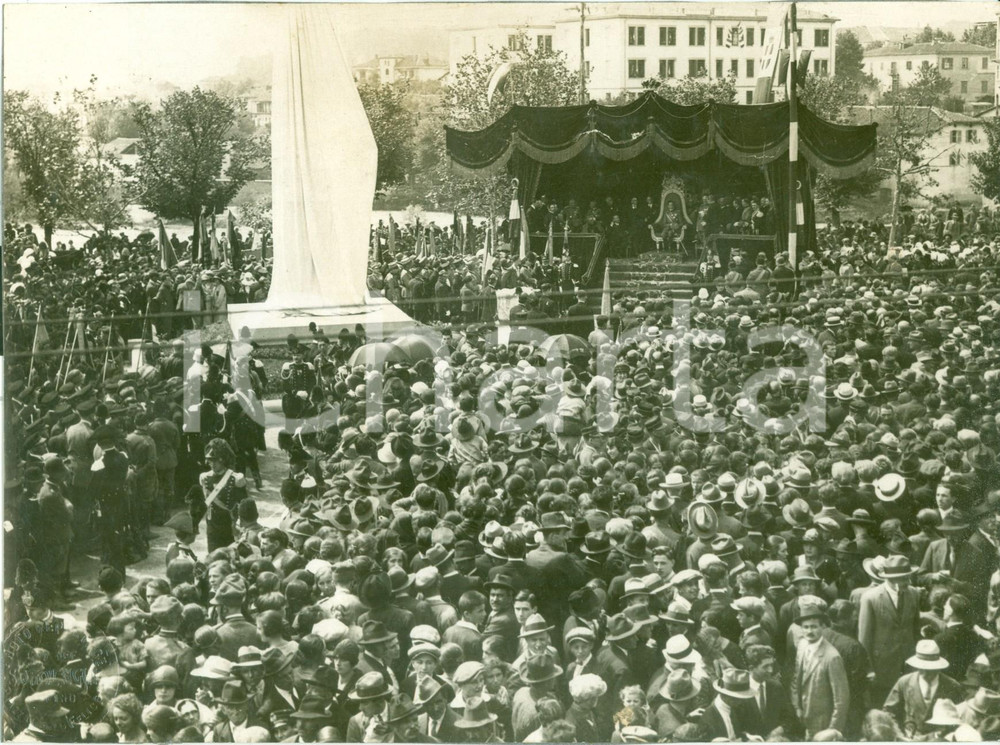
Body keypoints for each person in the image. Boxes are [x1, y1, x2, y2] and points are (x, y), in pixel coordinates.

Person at [790, 598, 849, 738]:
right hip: (804, 717)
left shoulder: (832, 657)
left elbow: (841, 699)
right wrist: (797, 706)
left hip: (823, 723)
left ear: (823, 627)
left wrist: (832, 731)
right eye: (806, 627)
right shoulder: (802, 645)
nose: (810, 631)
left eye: (814, 626)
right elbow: (795, 679)